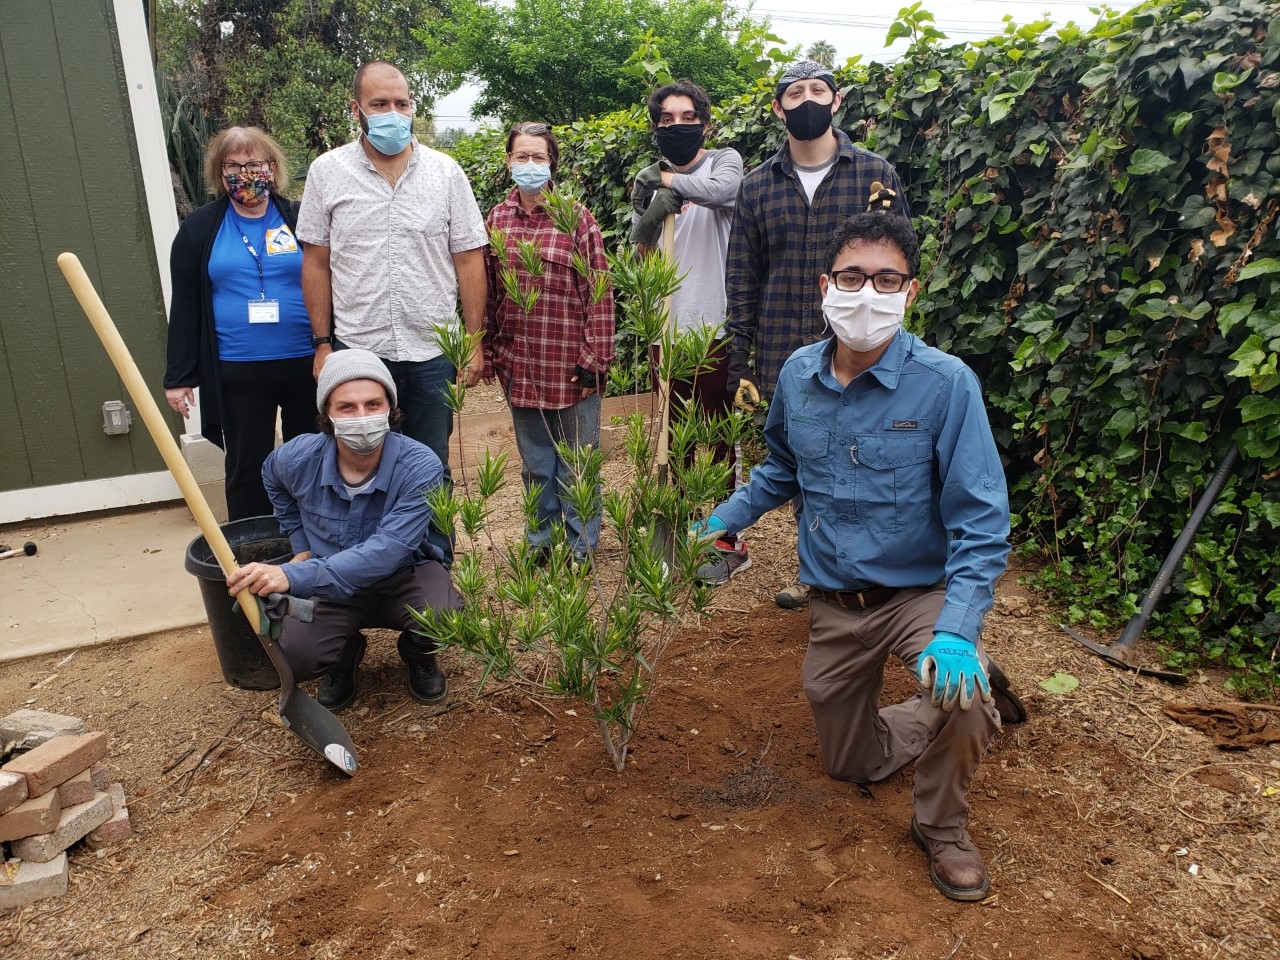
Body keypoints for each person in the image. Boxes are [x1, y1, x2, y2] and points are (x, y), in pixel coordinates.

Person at [698, 211, 1024, 902]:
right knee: (852, 763)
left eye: (886, 279)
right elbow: (782, 466)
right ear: (826, 285)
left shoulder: (946, 384)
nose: (867, 292)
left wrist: (958, 628)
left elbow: (982, 521)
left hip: (917, 592)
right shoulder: (797, 374)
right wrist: (727, 517)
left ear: (910, 292)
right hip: (836, 599)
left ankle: (941, 827)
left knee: (958, 696)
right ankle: (973, 686)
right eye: (853, 276)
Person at [725, 59, 911, 610]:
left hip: (862, 343)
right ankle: (820, 573)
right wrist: (740, 359)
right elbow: (743, 275)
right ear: (777, 108)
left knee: (866, 453)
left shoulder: (875, 175)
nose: (807, 99)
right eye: (794, 92)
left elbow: (898, 257)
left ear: (836, 101)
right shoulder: (757, 187)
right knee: (806, 460)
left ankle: (876, 569)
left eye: (817, 89)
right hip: (786, 348)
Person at [295, 59, 488, 520]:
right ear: (357, 109)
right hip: (359, 349)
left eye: (401, 103)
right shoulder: (327, 172)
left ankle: (434, 565)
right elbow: (316, 262)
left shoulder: (446, 173)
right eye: (379, 103)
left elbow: (469, 260)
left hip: (431, 352)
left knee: (431, 465)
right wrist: (323, 344)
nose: (393, 113)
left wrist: (474, 343)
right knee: (357, 465)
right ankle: (366, 569)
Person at [226, 349, 461, 710]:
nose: (362, 416)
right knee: (297, 655)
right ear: (327, 414)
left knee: (446, 617)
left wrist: (292, 573)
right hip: (327, 584)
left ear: (390, 408)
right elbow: (271, 478)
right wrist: (300, 542)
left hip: (403, 574)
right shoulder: (297, 457)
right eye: (346, 407)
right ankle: (343, 653)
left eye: (373, 404)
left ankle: (418, 655)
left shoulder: (419, 465)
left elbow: (389, 548)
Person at [630, 80, 748, 586]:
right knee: (670, 441)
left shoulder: (724, 160)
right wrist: (650, 217)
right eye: (666, 121)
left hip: (715, 328)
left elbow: (726, 193)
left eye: (686, 117)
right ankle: (673, 535)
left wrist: (672, 187)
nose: (677, 127)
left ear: (704, 120)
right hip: (667, 331)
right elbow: (639, 253)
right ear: (656, 127)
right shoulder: (648, 179)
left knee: (720, 438)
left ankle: (725, 541)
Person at [164, 126, 315, 521]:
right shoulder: (199, 229)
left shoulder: (300, 218)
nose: (245, 172)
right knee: (248, 467)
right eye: (234, 164)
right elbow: (186, 305)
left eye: (254, 163)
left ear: (272, 167)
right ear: (219, 170)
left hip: (307, 363)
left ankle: (317, 544)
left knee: (313, 460)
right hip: (239, 369)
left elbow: (332, 281)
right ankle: (254, 546)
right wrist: (178, 377)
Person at [482, 122, 615, 562]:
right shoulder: (497, 220)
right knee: (537, 465)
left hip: (572, 363)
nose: (530, 165)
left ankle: (581, 549)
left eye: (539, 157)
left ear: (552, 162)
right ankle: (542, 545)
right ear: (508, 161)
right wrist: (487, 350)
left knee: (578, 463)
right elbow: (488, 290)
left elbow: (598, 288)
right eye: (522, 156)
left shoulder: (576, 217)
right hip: (521, 362)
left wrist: (596, 355)